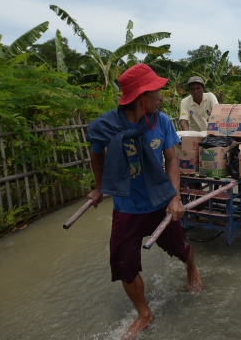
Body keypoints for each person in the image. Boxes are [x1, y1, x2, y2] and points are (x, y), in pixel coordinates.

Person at [86, 64, 202, 340]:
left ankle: (192, 268)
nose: (161, 96)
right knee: (124, 265)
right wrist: (100, 187)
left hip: (160, 201)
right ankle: (144, 313)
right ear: (141, 97)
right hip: (126, 206)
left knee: (180, 249)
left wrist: (175, 197)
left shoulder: (161, 121)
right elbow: (97, 154)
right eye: (156, 91)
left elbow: (172, 159)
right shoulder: (106, 126)